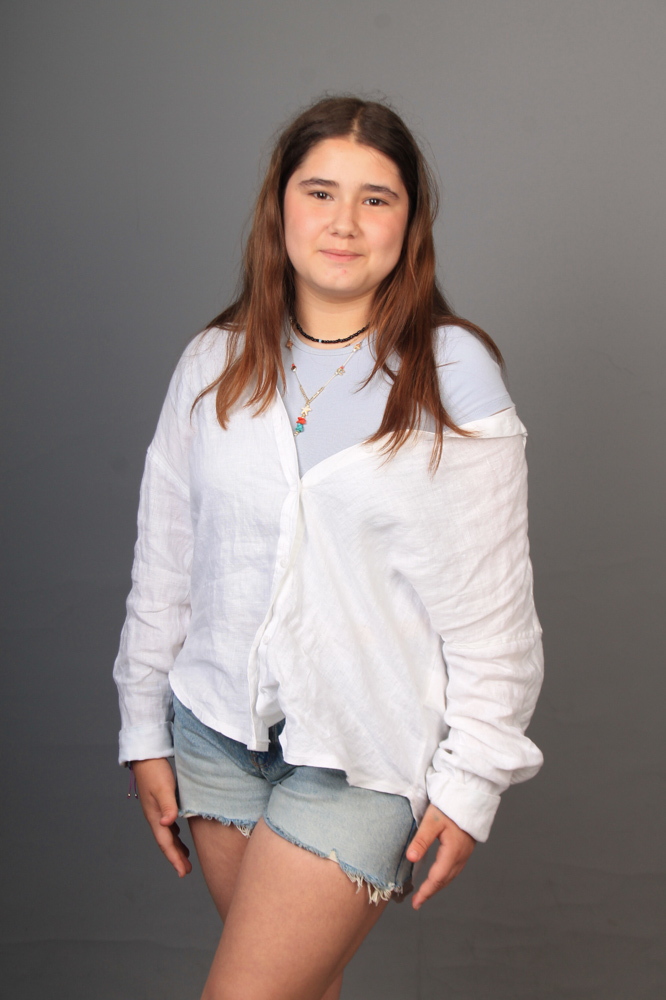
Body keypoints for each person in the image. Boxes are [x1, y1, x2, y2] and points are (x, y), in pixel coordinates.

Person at [114, 95, 544, 1000]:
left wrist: (473, 784)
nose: (344, 222)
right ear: (280, 206)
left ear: (410, 223)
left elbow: (494, 615)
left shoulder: (454, 375)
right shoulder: (213, 362)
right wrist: (142, 728)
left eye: (376, 199)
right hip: (216, 736)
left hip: (363, 757)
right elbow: (166, 566)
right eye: (320, 192)